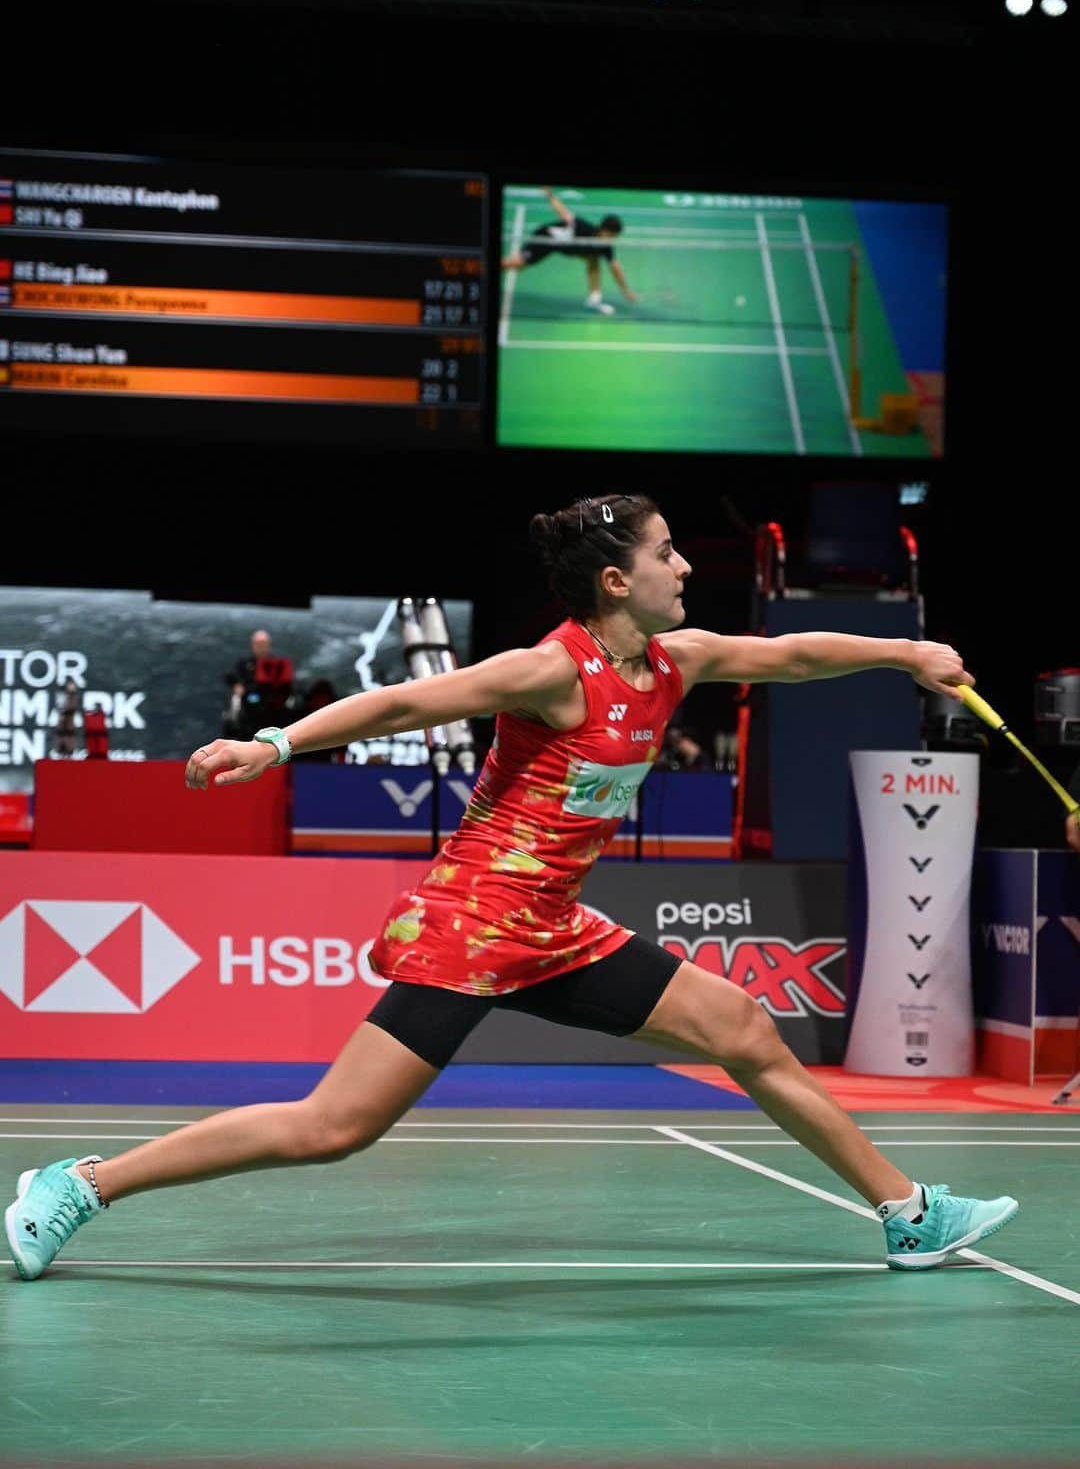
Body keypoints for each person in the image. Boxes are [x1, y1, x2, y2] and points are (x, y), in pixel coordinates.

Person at [5, 492, 1018, 1280]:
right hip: (473, 922)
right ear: (617, 580)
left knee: (745, 1030)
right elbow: (404, 697)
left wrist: (904, 651)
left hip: (555, 925)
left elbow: (792, 654)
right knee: (335, 1126)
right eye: (667, 550)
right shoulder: (552, 671)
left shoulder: (676, 661)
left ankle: (906, 1211)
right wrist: (274, 740)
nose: (683, 565)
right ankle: (79, 1182)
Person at [500, 185, 639, 316]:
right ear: (604, 230)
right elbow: (563, 213)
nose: (613, 239)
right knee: (518, 264)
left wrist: (625, 291)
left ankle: (594, 300)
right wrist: (550, 194)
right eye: (612, 236)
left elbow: (615, 268)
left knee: (594, 260)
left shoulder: (605, 246)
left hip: (567, 248)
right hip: (546, 240)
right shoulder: (584, 228)